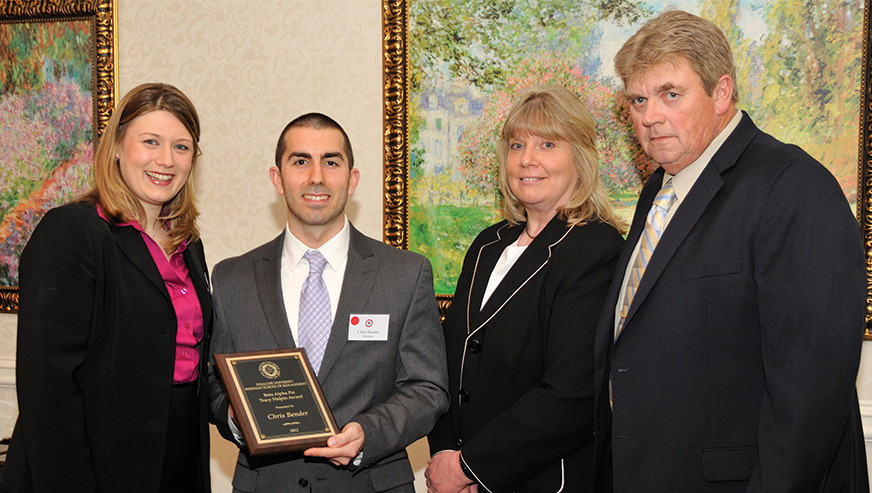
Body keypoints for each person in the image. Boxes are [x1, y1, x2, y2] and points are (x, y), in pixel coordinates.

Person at [593, 9, 868, 492]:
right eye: (638, 99)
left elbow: (808, 396)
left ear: (721, 93)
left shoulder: (792, 187)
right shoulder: (656, 191)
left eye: (670, 94)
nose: (649, 115)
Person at [207, 112, 449, 492]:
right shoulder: (231, 278)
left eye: (331, 162)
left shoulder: (405, 274)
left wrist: (368, 433)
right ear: (278, 179)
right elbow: (213, 385)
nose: (316, 177)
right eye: (300, 161)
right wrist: (237, 418)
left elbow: (428, 388)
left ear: (352, 180)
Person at [2, 83, 212, 492]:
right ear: (116, 146)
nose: (166, 160)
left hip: (175, 460)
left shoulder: (188, 244)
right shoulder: (72, 232)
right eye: (150, 142)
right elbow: (48, 390)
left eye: (182, 147)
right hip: (93, 467)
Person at [425, 85, 626, 493]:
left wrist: (470, 468)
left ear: (581, 157)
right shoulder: (487, 245)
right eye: (517, 145)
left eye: (547, 144)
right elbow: (448, 364)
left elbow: (571, 395)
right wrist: (447, 459)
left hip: (546, 483)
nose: (527, 159)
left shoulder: (595, 247)